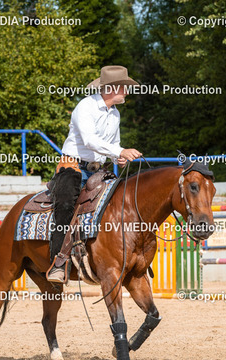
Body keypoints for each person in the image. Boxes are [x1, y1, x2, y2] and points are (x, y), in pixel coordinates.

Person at [46, 65, 142, 283]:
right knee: (65, 205)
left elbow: (112, 145)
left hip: (98, 170)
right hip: (73, 167)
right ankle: (58, 262)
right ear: (112, 88)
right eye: (124, 87)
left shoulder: (114, 114)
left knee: (121, 202)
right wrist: (120, 151)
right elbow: (89, 140)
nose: (127, 91)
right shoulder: (85, 106)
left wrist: (117, 157)